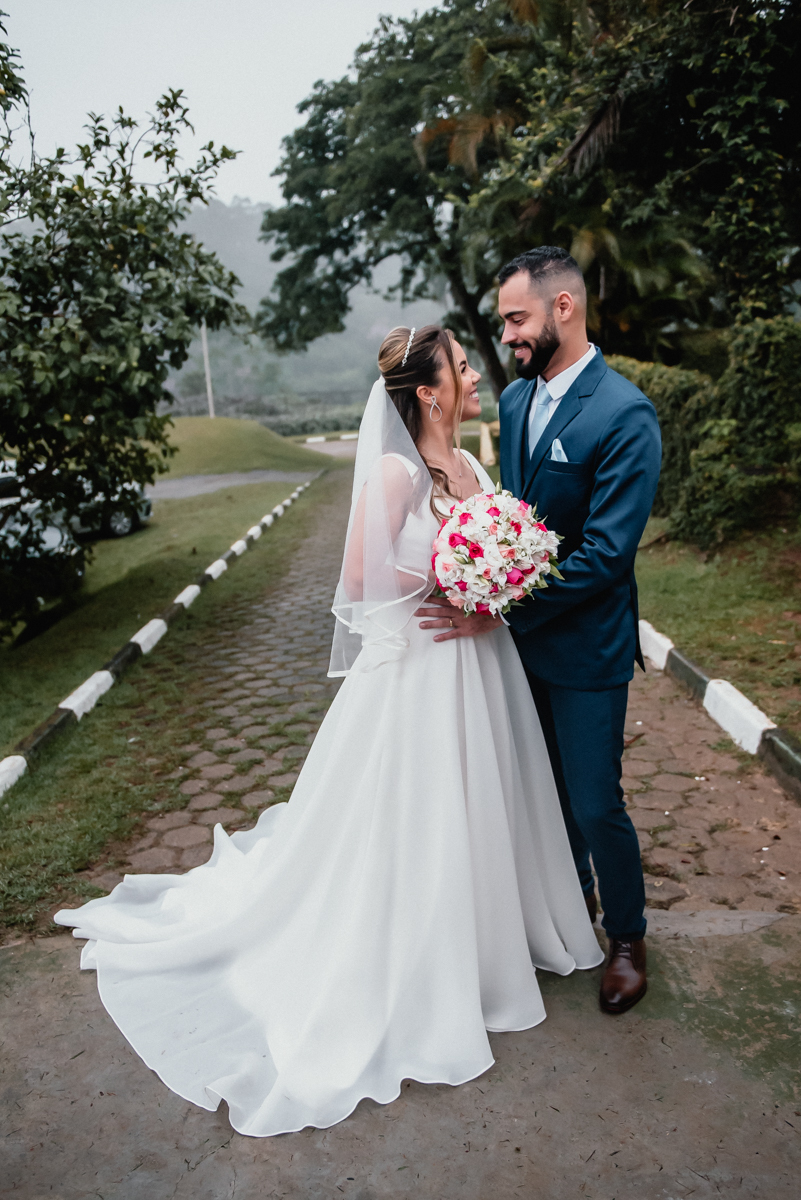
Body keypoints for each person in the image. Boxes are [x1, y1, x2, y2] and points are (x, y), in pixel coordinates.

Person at [54, 324, 603, 1139]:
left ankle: (489, 940)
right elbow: (358, 575)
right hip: (419, 668)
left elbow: (495, 559)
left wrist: (494, 588)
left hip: (480, 663)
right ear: (429, 392)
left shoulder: (470, 465)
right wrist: (456, 572)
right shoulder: (394, 472)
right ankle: (419, 956)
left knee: (483, 794)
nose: (474, 376)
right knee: (418, 809)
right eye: (461, 368)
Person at [494, 247, 661, 1014]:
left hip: (588, 647)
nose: (507, 335)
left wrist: (505, 604)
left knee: (595, 802)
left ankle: (626, 938)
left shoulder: (623, 412)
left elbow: (605, 553)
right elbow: (511, 517)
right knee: (544, 794)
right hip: (515, 650)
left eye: (516, 319)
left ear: (563, 307)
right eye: (503, 323)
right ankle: (572, 907)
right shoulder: (511, 402)